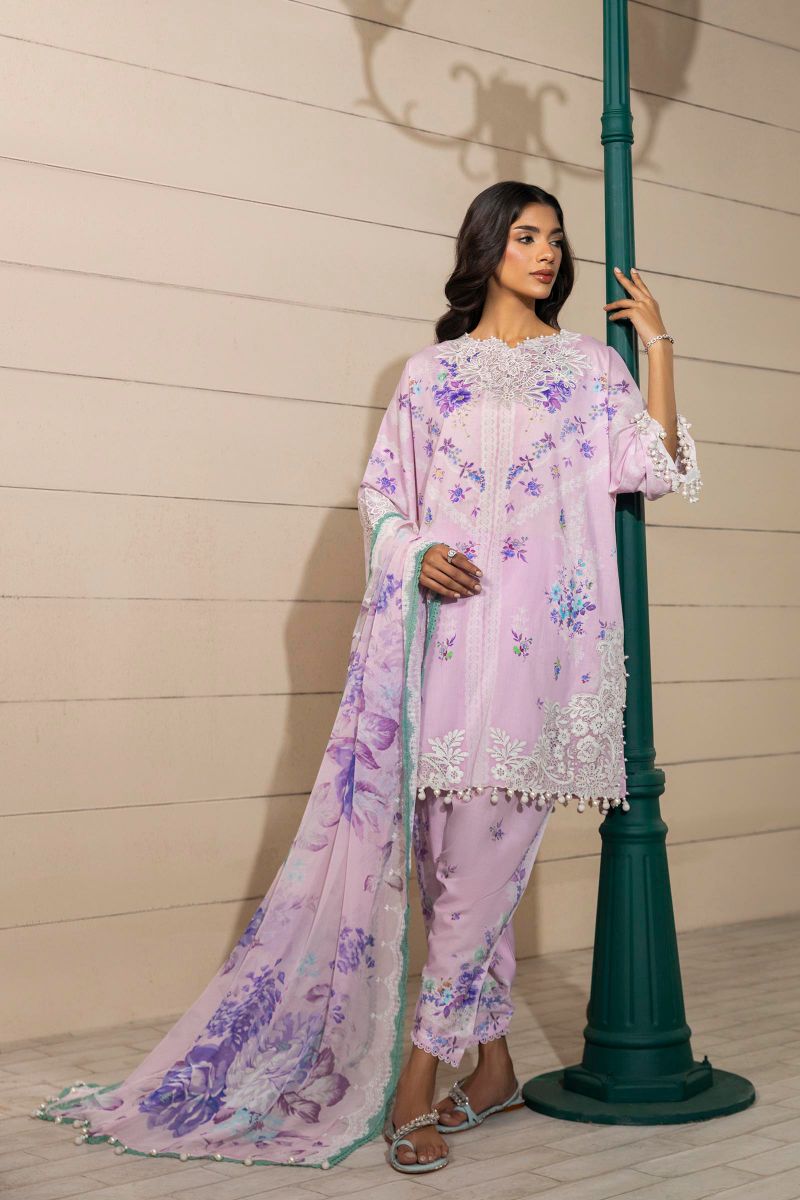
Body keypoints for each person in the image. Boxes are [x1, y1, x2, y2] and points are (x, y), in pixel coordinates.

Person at [33, 181, 701, 1176]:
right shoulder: (430, 376)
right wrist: (417, 551)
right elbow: (382, 494)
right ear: (485, 247)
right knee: (443, 868)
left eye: (556, 240)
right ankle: (493, 1067)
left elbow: (655, 468)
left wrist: (657, 346)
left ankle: (413, 1087)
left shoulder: (589, 368)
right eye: (526, 236)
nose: (547, 254)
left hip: (542, 656)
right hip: (441, 648)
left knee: (478, 866)